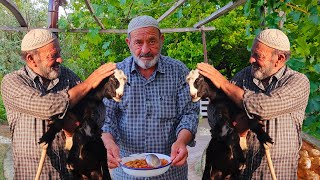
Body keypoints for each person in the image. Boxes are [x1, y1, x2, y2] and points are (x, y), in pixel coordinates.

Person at [0, 29, 116, 179]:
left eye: (59, 53)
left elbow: (98, 110)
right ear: (31, 59)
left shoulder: (68, 77)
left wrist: (78, 125)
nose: (60, 59)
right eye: (53, 56)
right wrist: (89, 82)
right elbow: (48, 108)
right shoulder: (13, 81)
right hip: (33, 173)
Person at [197, 29, 310, 179]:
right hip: (241, 173)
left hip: (277, 172)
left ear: (280, 59)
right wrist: (232, 126)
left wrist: (223, 82)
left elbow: (262, 108)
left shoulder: (297, 82)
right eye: (252, 53)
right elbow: (213, 111)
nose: (251, 60)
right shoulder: (242, 77)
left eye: (258, 56)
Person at [101, 15, 199, 179]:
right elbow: (106, 117)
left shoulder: (179, 71)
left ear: (161, 40)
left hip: (171, 171)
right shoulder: (116, 75)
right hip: (127, 172)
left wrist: (181, 141)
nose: (145, 50)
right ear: (128, 43)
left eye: (152, 41)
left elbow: (189, 113)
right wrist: (108, 143)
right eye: (138, 42)